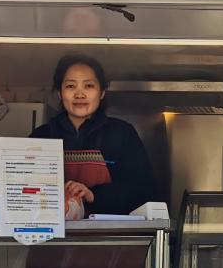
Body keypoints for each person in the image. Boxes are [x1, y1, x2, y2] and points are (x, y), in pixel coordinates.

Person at [30, 54, 159, 217]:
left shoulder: (122, 134)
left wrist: (93, 194)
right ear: (59, 93)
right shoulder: (42, 136)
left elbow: (143, 191)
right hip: (53, 238)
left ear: (102, 92)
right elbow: (24, 192)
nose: (79, 94)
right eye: (70, 86)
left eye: (88, 86)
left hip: (110, 237)